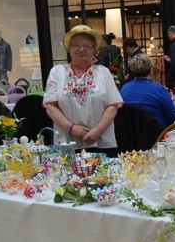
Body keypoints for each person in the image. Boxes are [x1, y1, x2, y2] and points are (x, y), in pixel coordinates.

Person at [43, 25, 123, 156]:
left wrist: (97, 131)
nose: (81, 49)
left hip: (101, 142)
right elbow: (50, 107)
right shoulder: (57, 72)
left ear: (94, 49)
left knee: (103, 175)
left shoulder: (103, 72)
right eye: (76, 45)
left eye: (87, 46)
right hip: (67, 142)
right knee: (67, 174)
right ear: (69, 48)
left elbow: (113, 106)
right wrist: (71, 128)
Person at [120, 53, 175, 129]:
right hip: (156, 136)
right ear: (151, 70)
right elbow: (172, 118)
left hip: (131, 136)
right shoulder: (159, 89)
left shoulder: (124, 89)